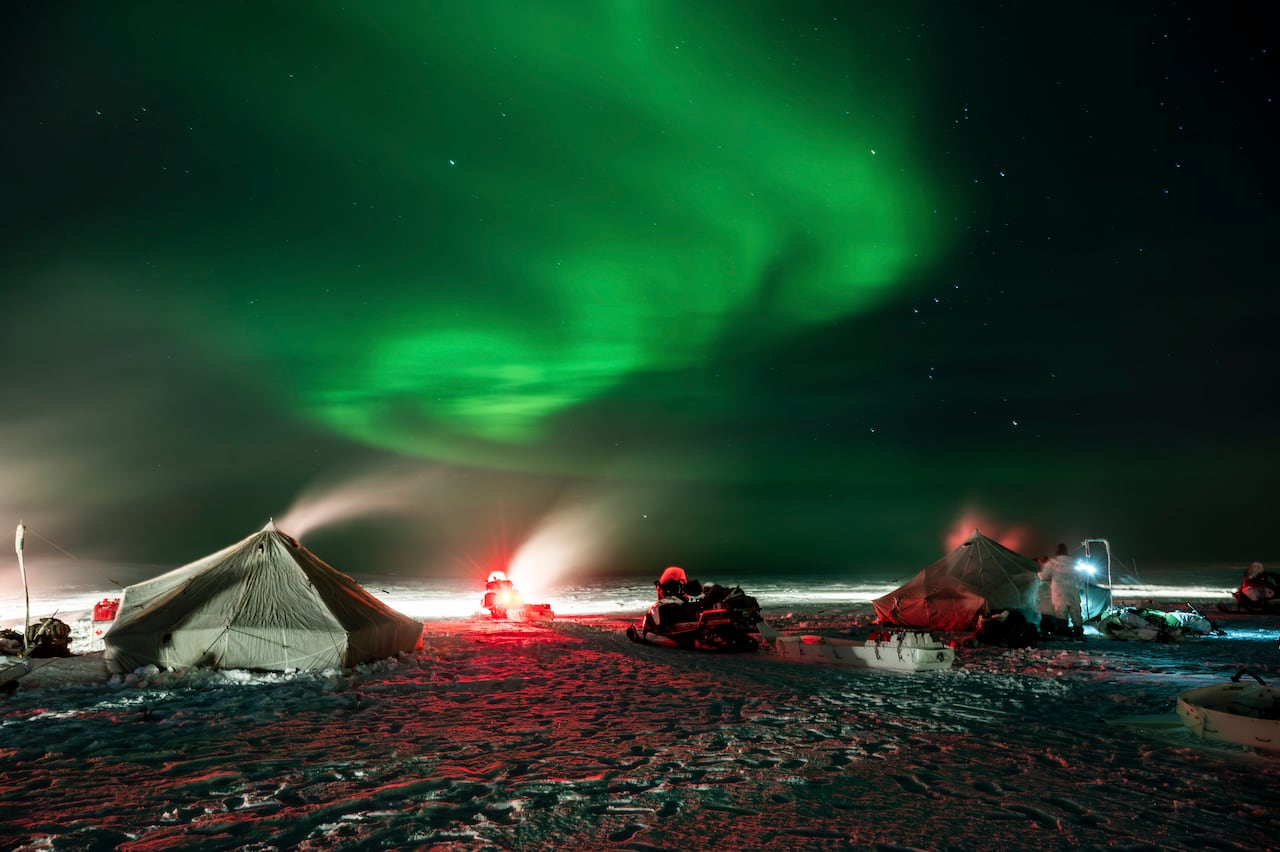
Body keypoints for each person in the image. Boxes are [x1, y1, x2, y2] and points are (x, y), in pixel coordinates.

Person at [1039, 543, 1084, 638]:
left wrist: (1038, 573)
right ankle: (1078, 631)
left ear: (1057, 551)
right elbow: (1081, 577)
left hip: (1059, 593)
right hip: (1073, 592)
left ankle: (1063, 631)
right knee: (1075, 612)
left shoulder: (1052, 563)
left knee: (1061, 614)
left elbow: (1043, 576)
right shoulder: (1074, 562)